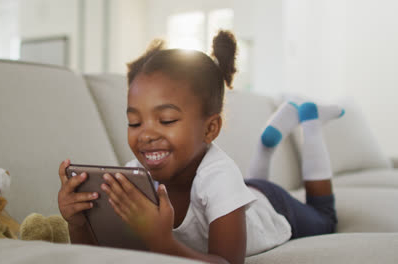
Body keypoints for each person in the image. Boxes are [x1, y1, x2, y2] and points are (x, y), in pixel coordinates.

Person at [57, 30, 342, 264]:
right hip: (242, 192)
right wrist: (79, 223)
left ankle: (310, 123)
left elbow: (227, 261)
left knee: (326, 219)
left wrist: (161, 241)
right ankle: (267, 144)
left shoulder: (219, 177)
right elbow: (103, 254)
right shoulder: (134, 180)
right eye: (134, 123)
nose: (146, 134)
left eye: (166, 119)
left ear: (210, 129)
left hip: (273, 207)